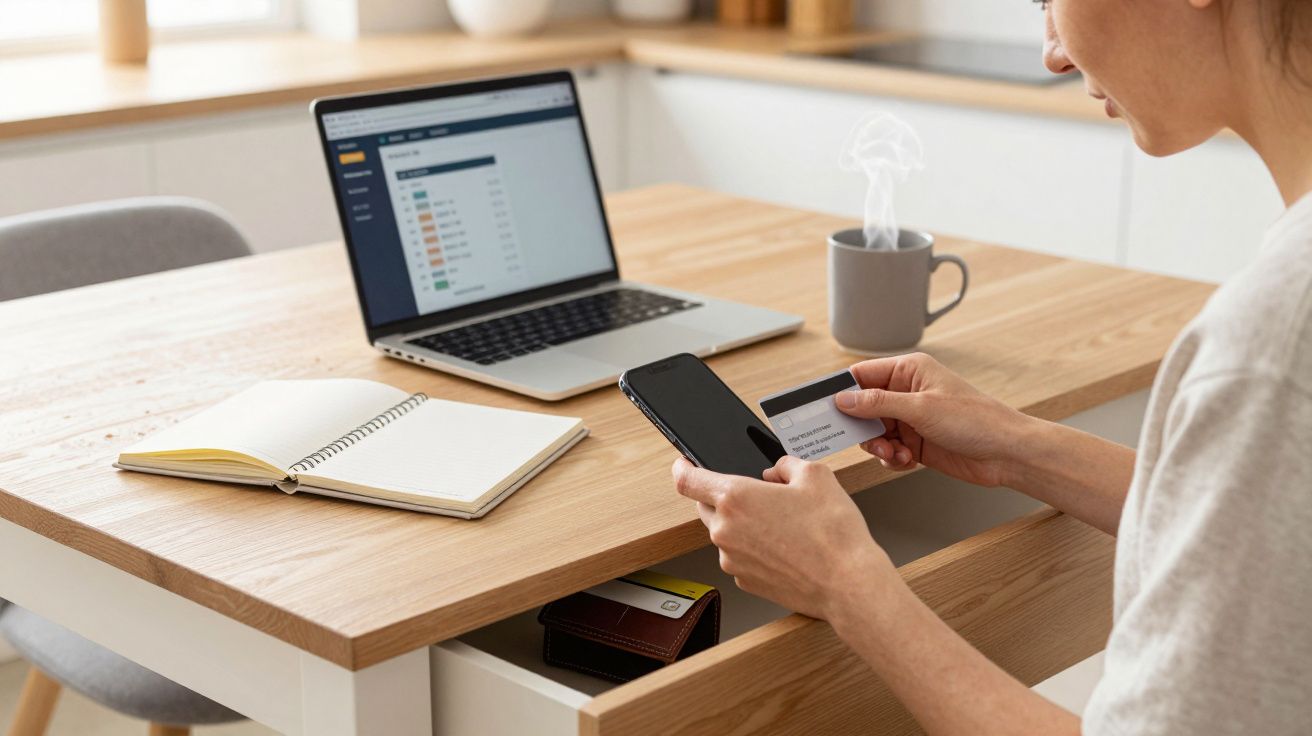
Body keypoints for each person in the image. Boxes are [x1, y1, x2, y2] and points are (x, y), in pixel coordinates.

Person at [671, 0, 1312, 733]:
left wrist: (848, 585)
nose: (1052, 53)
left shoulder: (1268, 346)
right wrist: (1016, 446)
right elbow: (1261, 527)